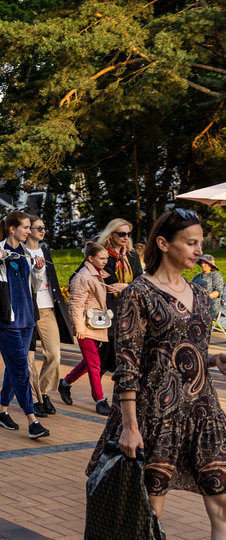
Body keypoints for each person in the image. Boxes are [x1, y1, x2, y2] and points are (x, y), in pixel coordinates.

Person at [87, 208, 226, 536]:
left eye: (200, 243)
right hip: (155, 415)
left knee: (221, 503)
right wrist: (130, 427)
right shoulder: (139, 293)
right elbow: (128, 365)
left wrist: (213, 359)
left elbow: (181, 355)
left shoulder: (201, 296)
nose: (198, 251)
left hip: (203, 412)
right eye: (191, 243)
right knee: (149, 513)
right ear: (163, 243)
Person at [0, 210, 50, 439]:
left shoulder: (27, 252)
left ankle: (2, 411)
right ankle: (32, 419)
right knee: (20, 368)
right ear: (12, 229)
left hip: (27, 317)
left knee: (13, 365)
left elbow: (34, 286)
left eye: (30, 228)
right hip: (7, 318)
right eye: (26, 228)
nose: (29, 231)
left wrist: (38, 270)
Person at [24, 216, 74, 417]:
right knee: (28, 359)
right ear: (28, 230)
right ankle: (35, 400)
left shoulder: (45, 251)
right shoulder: (20, 252)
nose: (42, 231)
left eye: (44, 228)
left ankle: (43, 392)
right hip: (27, 310)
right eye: (38, 228)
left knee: (54, 355)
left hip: (47, 309)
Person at [59, 242, 114, 416]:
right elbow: (75, 304)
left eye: (107, 258)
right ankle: (99, 400)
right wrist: (79, 328)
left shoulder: (98, 274)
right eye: (102, 258)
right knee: (94, 363)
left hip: (96, 325)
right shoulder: (83, 276)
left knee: (89, 363)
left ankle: (65, 383)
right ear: (90, 258)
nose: (106, 261)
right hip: (86, 326)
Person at [98, 218, 143, 372]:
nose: (126, 237)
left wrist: (124, 286)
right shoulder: (101, 254)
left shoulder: (132, 255)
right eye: (122, 233)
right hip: (109, 311)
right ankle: (71, 384)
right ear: (111, 235)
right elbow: (84, 276)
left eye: (128, 234)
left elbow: (141, 281)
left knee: (121, 358)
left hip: (129, 310)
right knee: (103, 359)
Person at [193, 254, 224, 323]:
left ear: (210, 264)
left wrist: (204, 297)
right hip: (195, 303)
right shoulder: (197, 276)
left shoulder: (215, 275)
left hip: (210, 305)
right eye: (202, 262)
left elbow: (218, 292)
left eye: (205, 263)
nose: (203, 264)